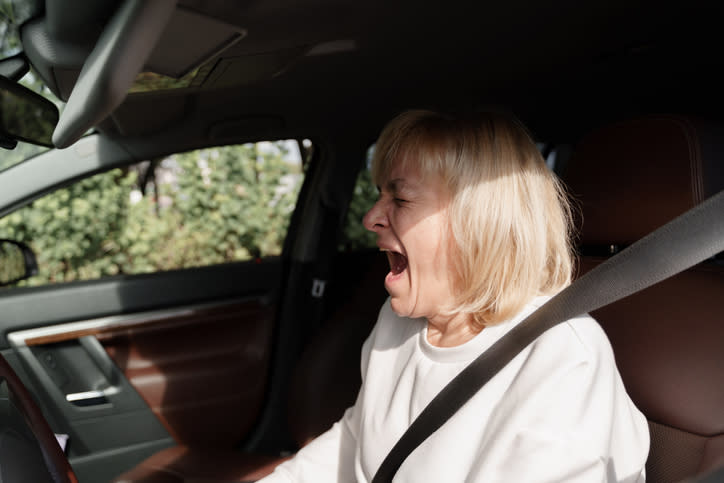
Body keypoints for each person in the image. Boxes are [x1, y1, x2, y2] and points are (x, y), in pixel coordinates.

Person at [259, 110, 649, 482]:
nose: (370, 218)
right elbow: (354, 440)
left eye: (401, 198)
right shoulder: (396, 322)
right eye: (381, 194)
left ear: (478, 220)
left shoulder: (561, 354)